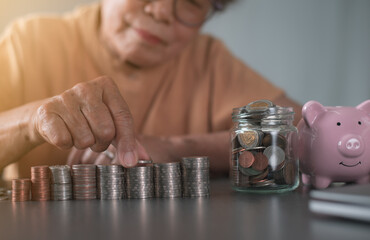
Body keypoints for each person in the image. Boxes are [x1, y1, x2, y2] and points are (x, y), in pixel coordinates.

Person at [0, 0, 301, 182]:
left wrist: (175, 148)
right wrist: (32, 121)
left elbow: (302, 133)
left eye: (192, 2)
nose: (161, 12)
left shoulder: (208, 60)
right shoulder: (30, 41)